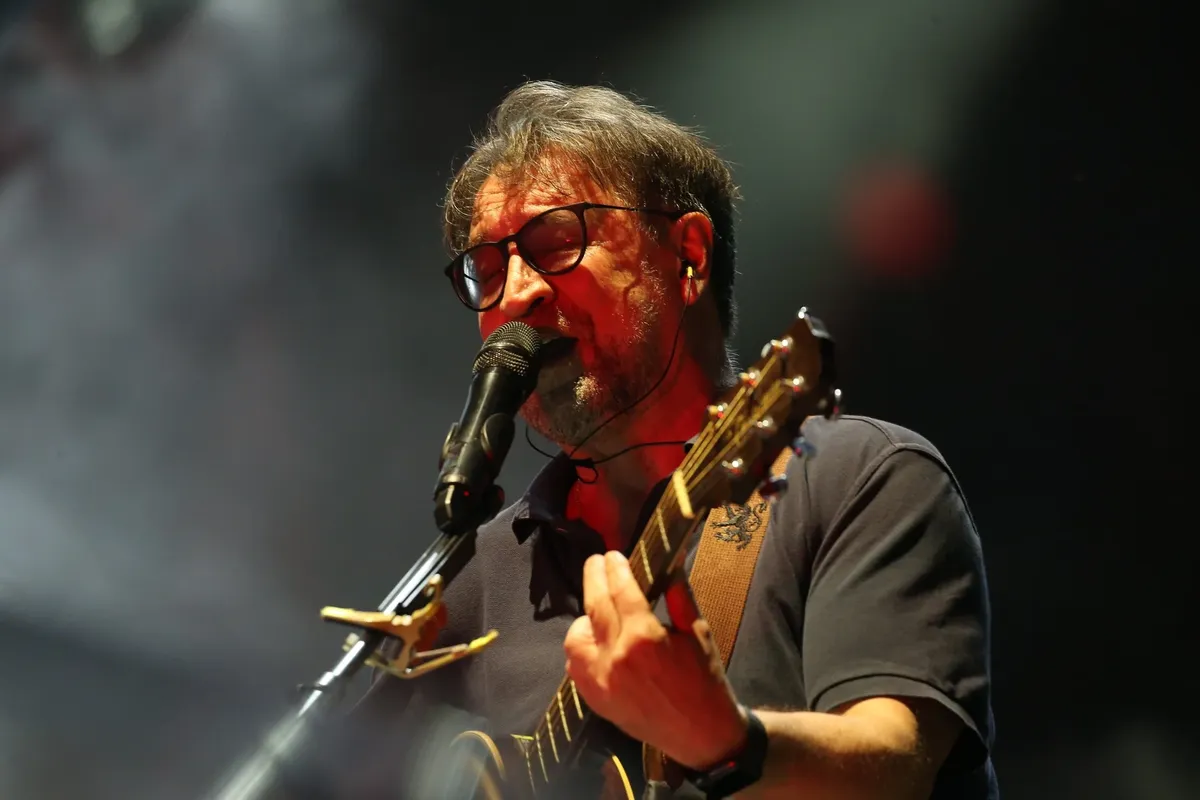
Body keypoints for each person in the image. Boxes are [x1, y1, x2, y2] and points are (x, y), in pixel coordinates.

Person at [345, 81, 997, 800]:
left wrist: (726, 741)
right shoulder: (472, 582)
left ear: (687, 256)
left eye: (556, 242)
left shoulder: (859, 478)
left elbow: (899, 767)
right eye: (489, 271)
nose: (517, 294)